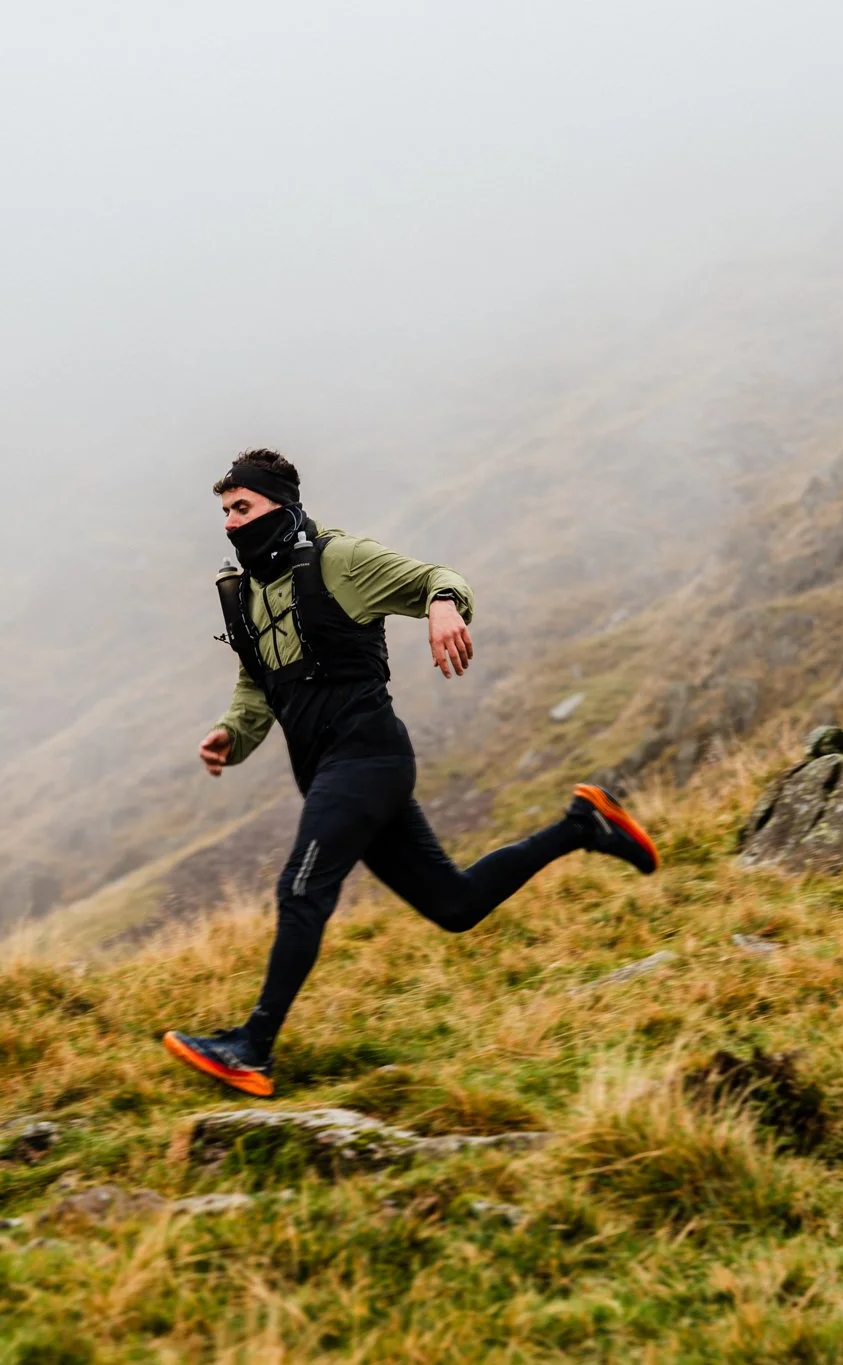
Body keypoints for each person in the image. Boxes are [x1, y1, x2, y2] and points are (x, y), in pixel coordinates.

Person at [162, 449, 659, 1097]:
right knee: (455, 904)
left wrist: (444, 605)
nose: (231, 523)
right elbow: (258, 683)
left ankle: (252, 1046)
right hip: (333, 774)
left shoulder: (339, 561)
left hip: (368, 759)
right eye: (224, 512)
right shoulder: (247, 592)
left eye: (243, 508)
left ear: (281, 506)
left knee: (301, 887)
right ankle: (582, 824)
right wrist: (234, 732)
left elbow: (437, 578)